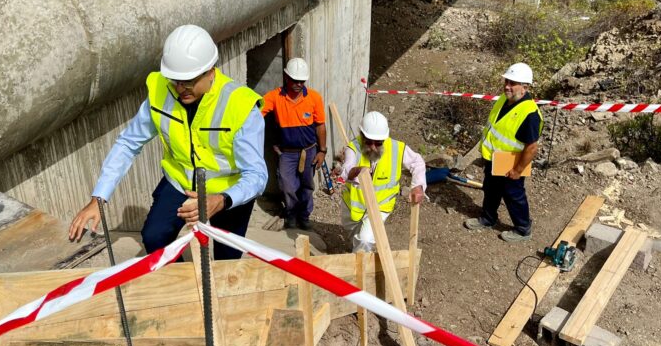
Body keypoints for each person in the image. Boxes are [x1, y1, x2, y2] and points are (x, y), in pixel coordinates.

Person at [69, 24, 267, 260]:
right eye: (175, 80)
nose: (180, 89)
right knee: (155, 238)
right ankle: (179, 284)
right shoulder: (161, 92)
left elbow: (257, 175)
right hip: (179, 183)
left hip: (228, 192)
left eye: (188, 81)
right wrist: (98, 198)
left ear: (210, 71)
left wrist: (222, 200)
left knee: (227, 260)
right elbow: (127, 144)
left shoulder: (240, 106)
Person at [464, 62, 542, 242]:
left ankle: (523, 228)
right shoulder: (503, 99)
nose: (507, 86)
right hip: (494, 158)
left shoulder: (529, 113)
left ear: (525, 87)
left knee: (513, 195)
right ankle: (488, 218)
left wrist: (518, 170)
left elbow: (531, 147)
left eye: (512, 83)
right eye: (507, 81)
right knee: (490, 189)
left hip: (512, 162)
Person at [340, 111, 426, 252]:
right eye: (368, 142)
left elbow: (417, 163)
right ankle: (359, 255)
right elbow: (346, 170)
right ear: (362, 136)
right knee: (355, 238)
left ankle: (361, 270)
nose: (373, 147)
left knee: (365, 240)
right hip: (353, 207)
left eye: (378, 143)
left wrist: (418, 186)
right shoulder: (354, 147)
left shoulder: (397, 148)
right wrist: (357, 170)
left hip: (381, 205)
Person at [261, 58, 327, 230]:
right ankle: (291, 215)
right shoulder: (275, 97)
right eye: (294, 80)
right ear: (286, 77)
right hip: (287, 153)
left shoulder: (314, 98)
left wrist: (322, 151)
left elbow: (320, 125)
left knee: (306, 186)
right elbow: (256, 110)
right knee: (287, 185)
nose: (298, 84)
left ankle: (304, 217)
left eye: (301, 81)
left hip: (309, 151)